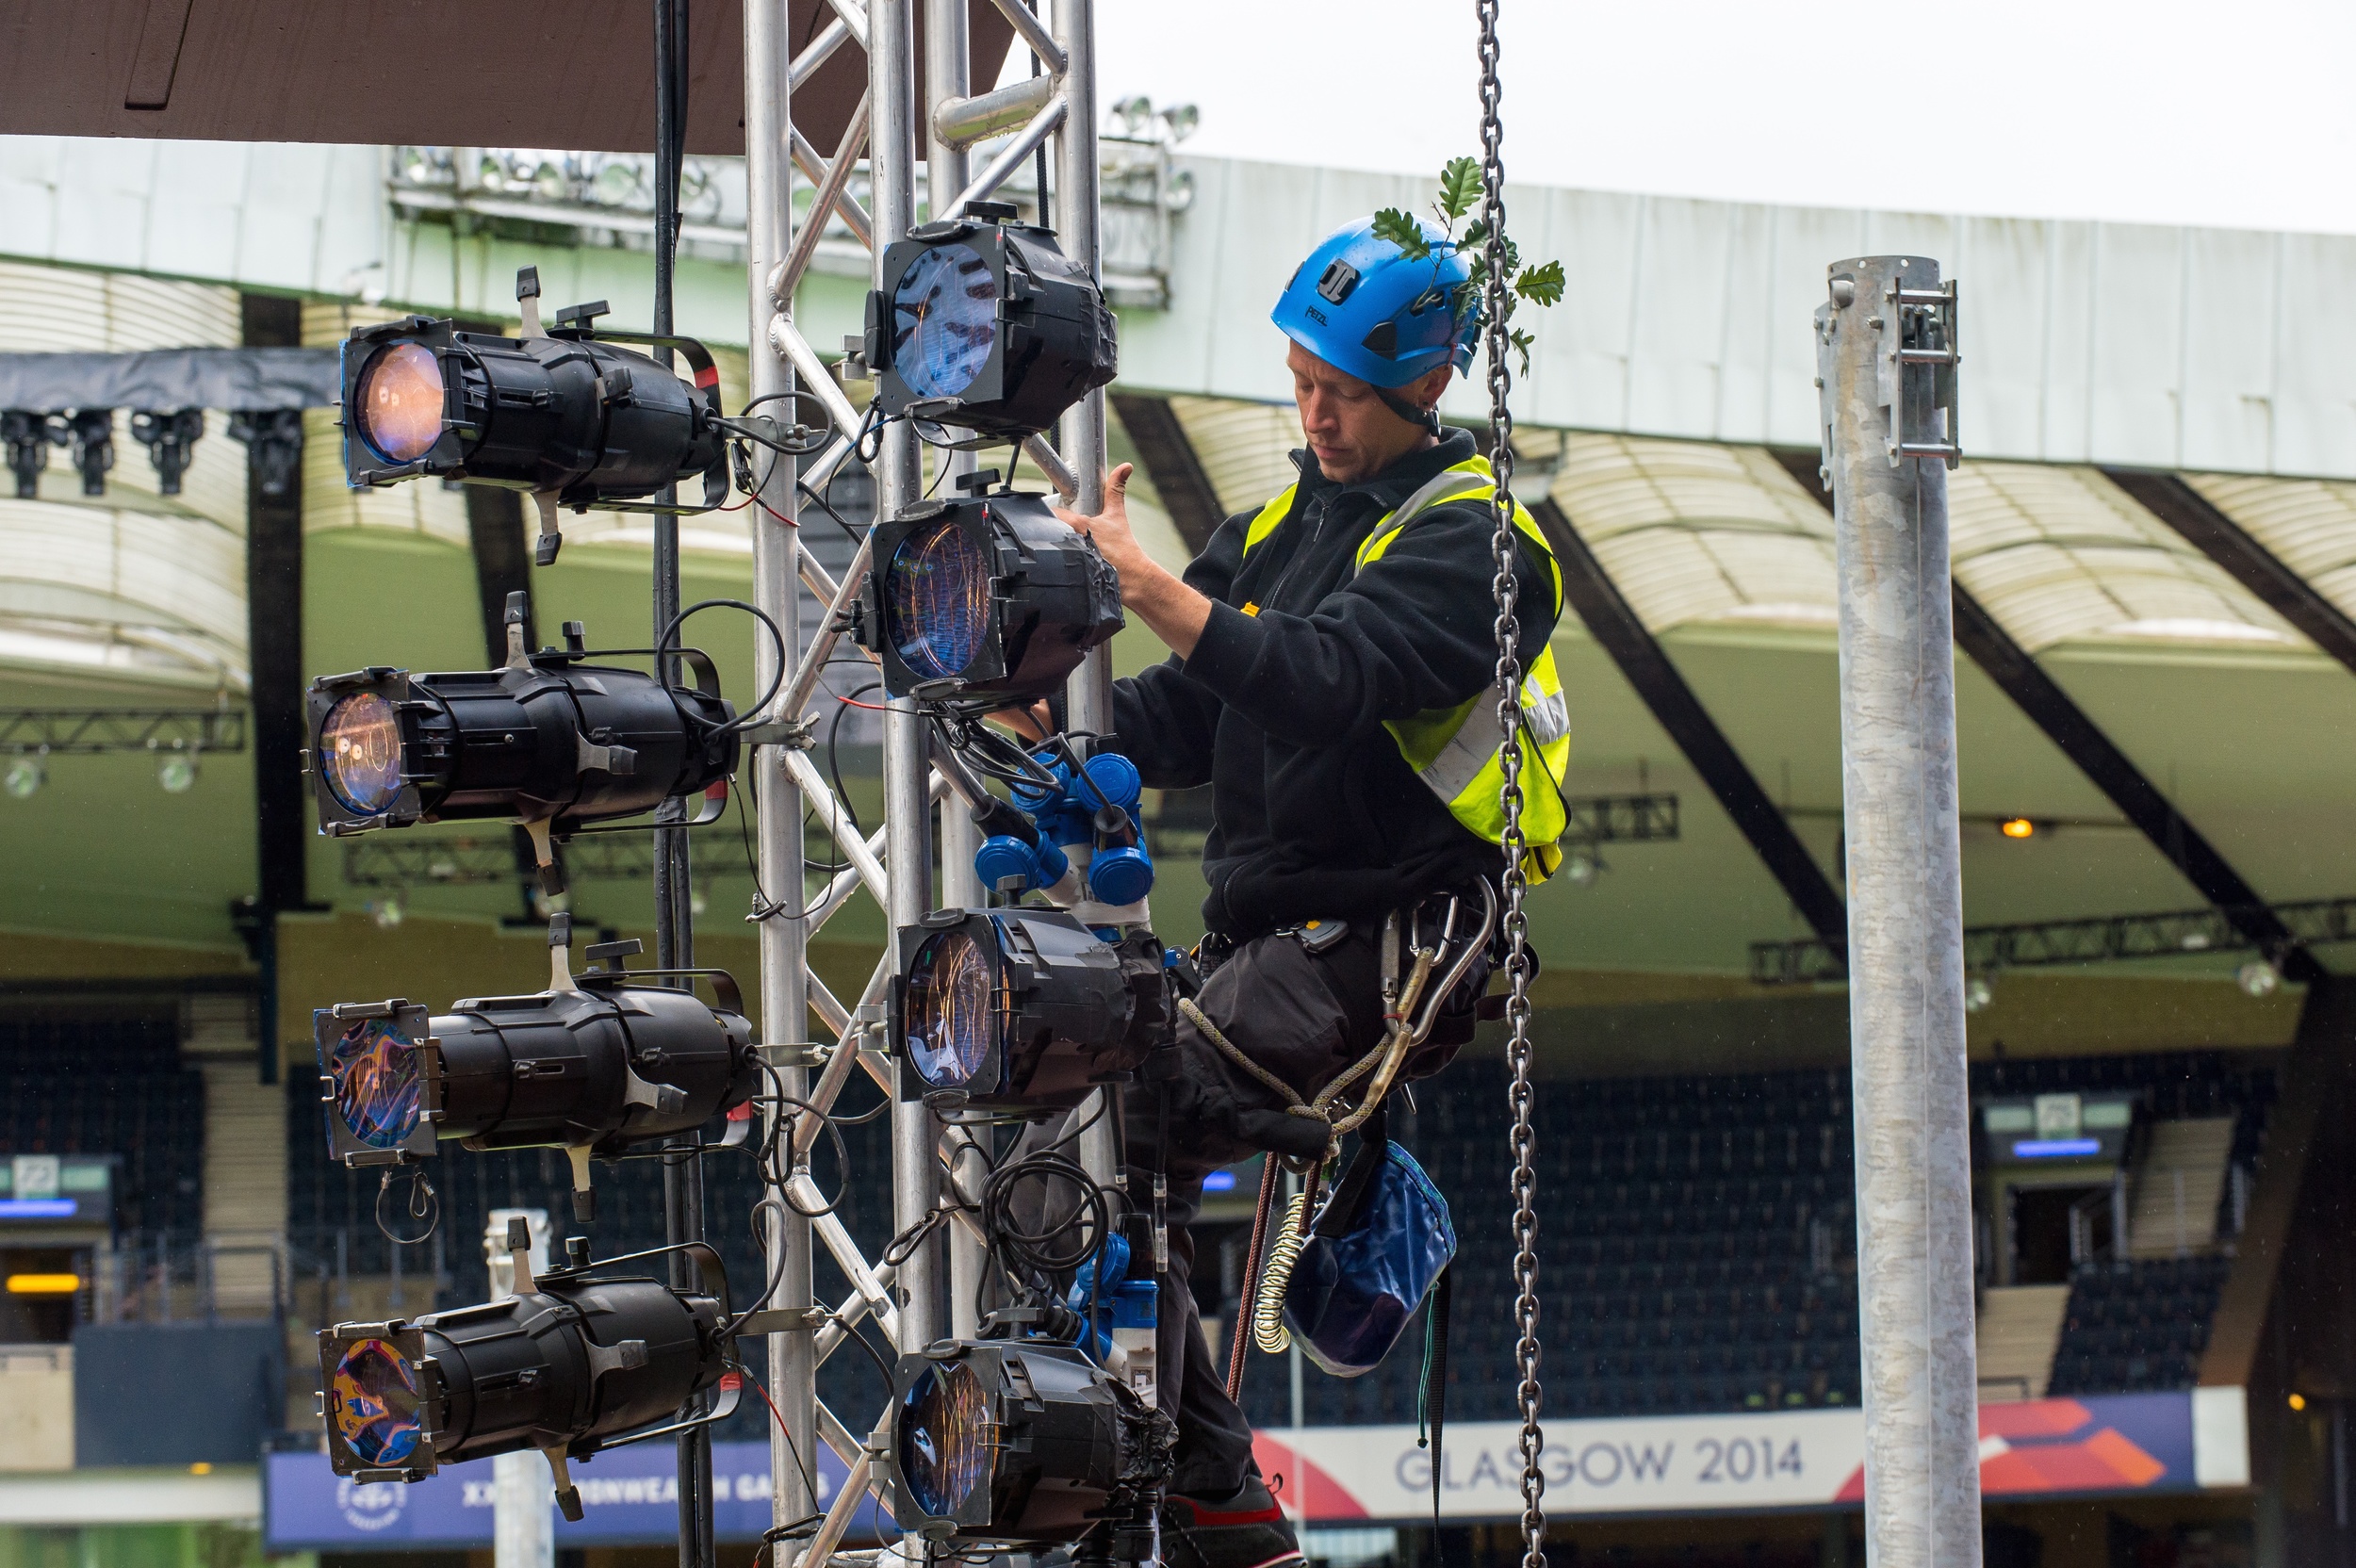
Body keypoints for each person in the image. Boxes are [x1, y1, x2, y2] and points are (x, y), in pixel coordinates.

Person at [1007, 215, 1570, 1568]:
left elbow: (1324, 679)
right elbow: (1187, 712)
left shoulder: (1488, 549)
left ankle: (1203, 1483)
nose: (1312, 413)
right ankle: (1157, 1465)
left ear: (1428, 388)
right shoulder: (1273, 529)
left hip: (1383, 945)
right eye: (1300, 380)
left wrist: (1145, 586)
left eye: (1343, 394)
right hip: (1269, 945)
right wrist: (1051, 718)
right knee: (1043, 1135)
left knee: (1122, 1108)